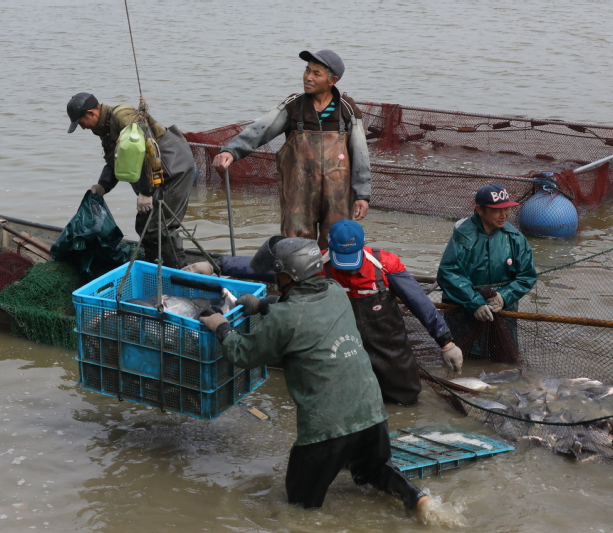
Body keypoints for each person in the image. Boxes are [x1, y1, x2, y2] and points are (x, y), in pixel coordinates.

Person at [198, 236, 433, 517]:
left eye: (278, 274)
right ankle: (419, 500)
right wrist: (262, 305)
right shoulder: (335, 291)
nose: (275, 278)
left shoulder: (284, 318)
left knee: (299, 508)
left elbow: (244, 354)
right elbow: (304, 309)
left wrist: (222, 328)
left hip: (326, 426)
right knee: (373, 470)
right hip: (371, 411)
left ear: (288, 276)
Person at [211, 49, 371, 250]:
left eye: (316, 73)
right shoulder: (294, 106)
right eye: (307, 70)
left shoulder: (347, 110)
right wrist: (230, 151)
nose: (308, 77)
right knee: (295, 248)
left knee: (337, 243)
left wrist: (362, 195)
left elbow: (360, 154)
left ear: (333, 80)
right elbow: (260, 130)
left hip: (338, 195)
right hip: (298, 194)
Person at [325, 220, 463, 405]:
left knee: (405, 402)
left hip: (388, 348)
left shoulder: (385, 264)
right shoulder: (317, 268)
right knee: (344, 401)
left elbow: (419, 303)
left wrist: (446, 343)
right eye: (342, 260)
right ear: (329, 247)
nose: (349, 269)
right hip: (342, 347)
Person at [66, 92, 196, 268]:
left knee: (159, 226)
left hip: (173, 167)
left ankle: (177, 273)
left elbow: (146, 150)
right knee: (144, 225)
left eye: (81, 122)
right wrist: (103, 185)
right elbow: (116, 160)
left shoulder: (122, 116)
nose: (82, 128)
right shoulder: (105, 128)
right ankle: (156, 267)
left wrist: (146, 192)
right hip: (155, 172)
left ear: (91, 113)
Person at [436, 184, 537, 359]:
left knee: (502, 361)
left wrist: (504, 297)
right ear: (480, 210)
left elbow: (527, 275)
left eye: (507, 209)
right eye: (497, 210)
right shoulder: (463, 235)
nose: (504, 215)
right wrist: (475, 302)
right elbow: (448, 273)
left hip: (502, 313)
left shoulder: (515, 238)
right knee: (465, 360)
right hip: (464, 314)